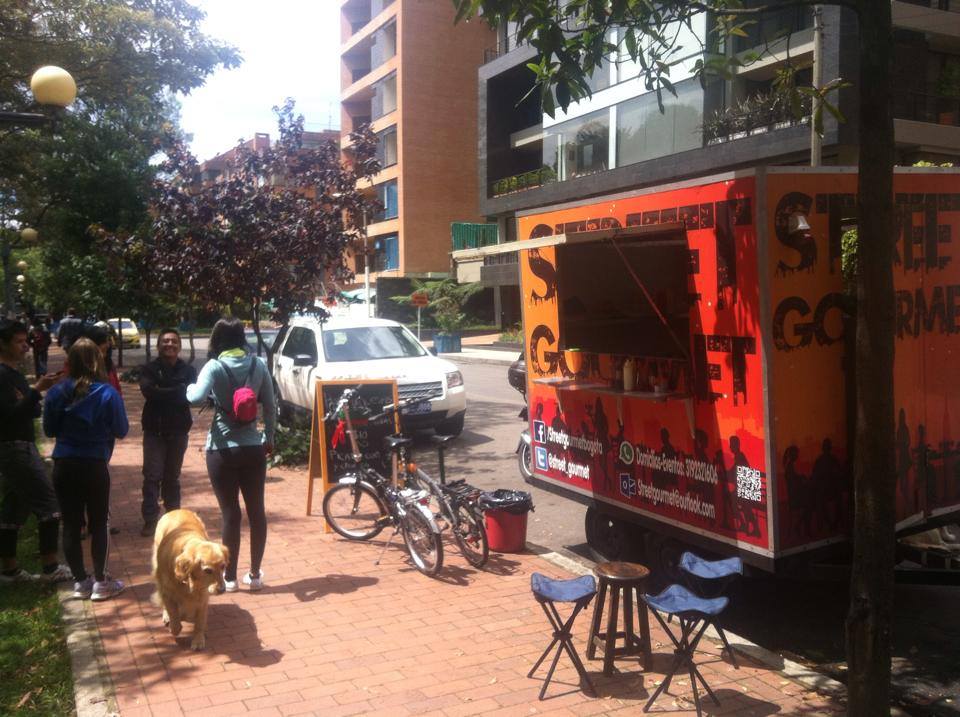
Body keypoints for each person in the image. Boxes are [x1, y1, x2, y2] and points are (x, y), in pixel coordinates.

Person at [186, 317, 275, 592]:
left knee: (230, 514)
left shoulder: (214, 366)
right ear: (242, 339)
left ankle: (231, 578)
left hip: (221, 449)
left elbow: (195, 398)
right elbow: (271, 406)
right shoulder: (258, 364)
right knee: (257, 511)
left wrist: (188, 388)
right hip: (252, 447)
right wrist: (269, 438)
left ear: (216, 339)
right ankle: (255, 575)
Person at [44, 338, 129, 601]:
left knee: (71, 524)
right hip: (94, 464)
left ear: (70, 361)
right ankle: (101, 582)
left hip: (64, 464)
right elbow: (121, 429)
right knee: (99, 523)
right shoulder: (107, 394)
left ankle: (81, 582)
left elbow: (49, 429)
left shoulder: (56, 393)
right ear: (97, 361)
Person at [0, 319, 72, 583]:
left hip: (22, 444)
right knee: (49, 504)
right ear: (2, 344)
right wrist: (37, 391)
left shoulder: (15, 374)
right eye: (19, 342)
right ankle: (51, 567)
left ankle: (9, 569)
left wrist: (32, 395)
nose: (25, 346)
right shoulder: (2, 376)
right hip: (13, 447)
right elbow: (8, 415)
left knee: (15, 508)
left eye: (25, 341)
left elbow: (32, 410)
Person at [139, 328, 197, 537]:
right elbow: (148, 392)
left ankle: (173, 519)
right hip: (154, 432)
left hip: (179, 431)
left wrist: (161, 390)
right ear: (158, 346)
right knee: (152, 476)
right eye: (165, 341)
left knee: (172, 477)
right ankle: (150, 520)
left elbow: (190, 395)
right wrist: (177, 390)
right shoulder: (148, 369)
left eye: (173, 341)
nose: (169, 344)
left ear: (179, 346)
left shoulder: (188, 370)